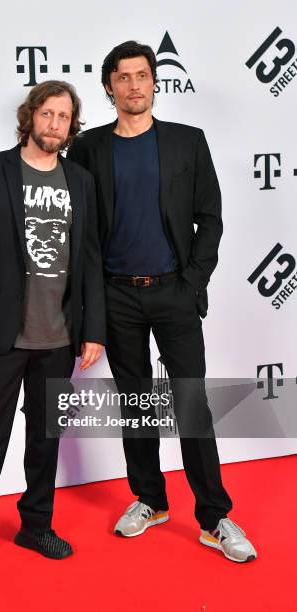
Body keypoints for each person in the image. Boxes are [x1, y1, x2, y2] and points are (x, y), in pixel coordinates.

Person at [67, 41, 257, 562]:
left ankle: (214, 516)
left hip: (174, 292)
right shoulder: (88, 149)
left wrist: (193, 282)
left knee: (192, 404)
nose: (133, 85)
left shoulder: (187, 142)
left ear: (155, 82)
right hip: (116, 296)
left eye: (141, 76)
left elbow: (210, 218)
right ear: (109, 87)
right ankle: (150, 500)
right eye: (122, 77)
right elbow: (80, 230)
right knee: (136, 408)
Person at [0, 80, 105, 583]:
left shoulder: (80, 180)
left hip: (58, 337)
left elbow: (90, 258)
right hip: (2, 339)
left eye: (64, 117)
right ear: (30, 116)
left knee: (44, 438)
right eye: (47, 114)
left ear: (71, 125)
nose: (55, 124)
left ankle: (36, 525)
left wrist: (93, 329)